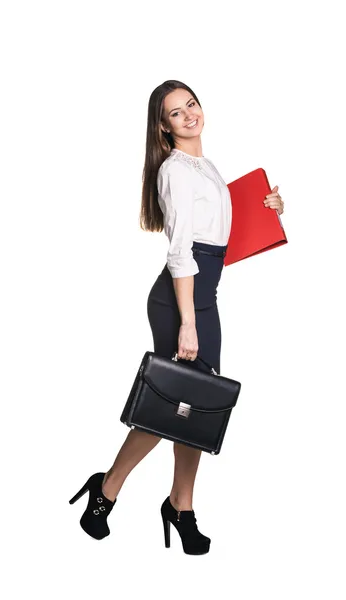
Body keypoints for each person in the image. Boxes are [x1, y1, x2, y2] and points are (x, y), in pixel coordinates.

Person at [69, 80, 285, 554]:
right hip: (179, 301)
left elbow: (220, 235)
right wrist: (187, 321)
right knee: (172, 403)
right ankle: (106, 489)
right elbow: (182, 250)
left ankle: (180, 506)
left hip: (203, 299)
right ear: (163, 128)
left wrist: (266, 208)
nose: (188, 114)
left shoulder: (203, 166)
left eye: (190, 104)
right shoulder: (175, 170)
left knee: (199, 403)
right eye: (174, 113)